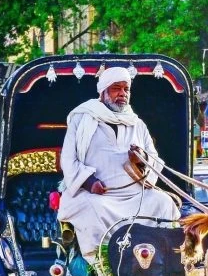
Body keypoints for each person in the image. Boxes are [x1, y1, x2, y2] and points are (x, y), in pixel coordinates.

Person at [57, 67, 179, 263]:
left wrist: (141, 160)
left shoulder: (137, 124)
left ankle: (161, 260)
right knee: (91, 208)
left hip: (136, 196)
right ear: (103, 92)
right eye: (116, 89)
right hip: (99, 196)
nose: (122, 94)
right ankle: (103, 265)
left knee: (164, 202)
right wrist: (89, 183)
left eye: (126, 89)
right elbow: (68, 160)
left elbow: (154, 160)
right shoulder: (83, 118)